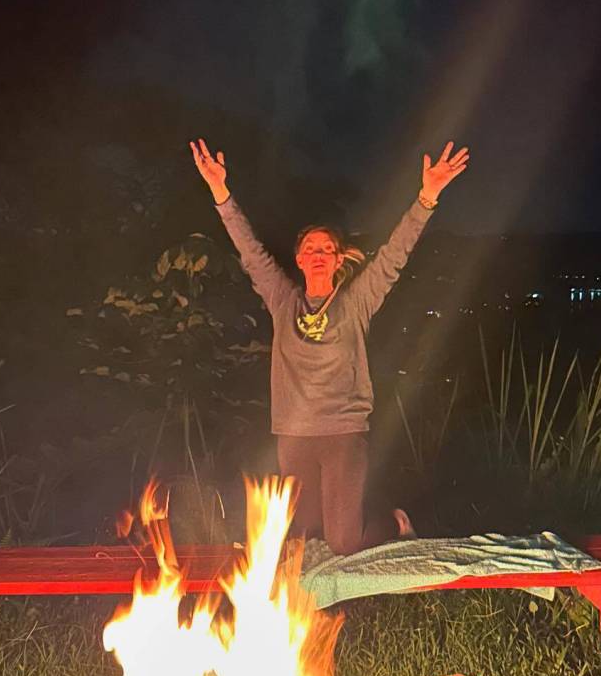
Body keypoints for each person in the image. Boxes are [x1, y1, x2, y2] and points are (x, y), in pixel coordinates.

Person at [190, 137, 470, 555]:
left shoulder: (355, 303)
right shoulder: (283, 300)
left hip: (343, 432)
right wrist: (220, 191)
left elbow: (393, 257)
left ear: (339, 260)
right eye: (310, 249)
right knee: (304, 538)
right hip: (293, 434)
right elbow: (250, 251)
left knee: (343, 542)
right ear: (299, 260)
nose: (319, 254)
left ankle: (394, 522)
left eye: (327, 249)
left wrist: (427, 197)